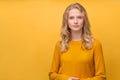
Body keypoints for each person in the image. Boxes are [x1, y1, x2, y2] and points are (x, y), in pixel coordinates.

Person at [49, 3, 106, 80]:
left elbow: (101, 77)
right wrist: (67, 79)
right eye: (71, 18)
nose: (75, 21)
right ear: (67, 21)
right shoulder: (60, 45)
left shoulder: (95, 44)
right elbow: (52, 75)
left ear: (84, 20)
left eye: (79, 17)